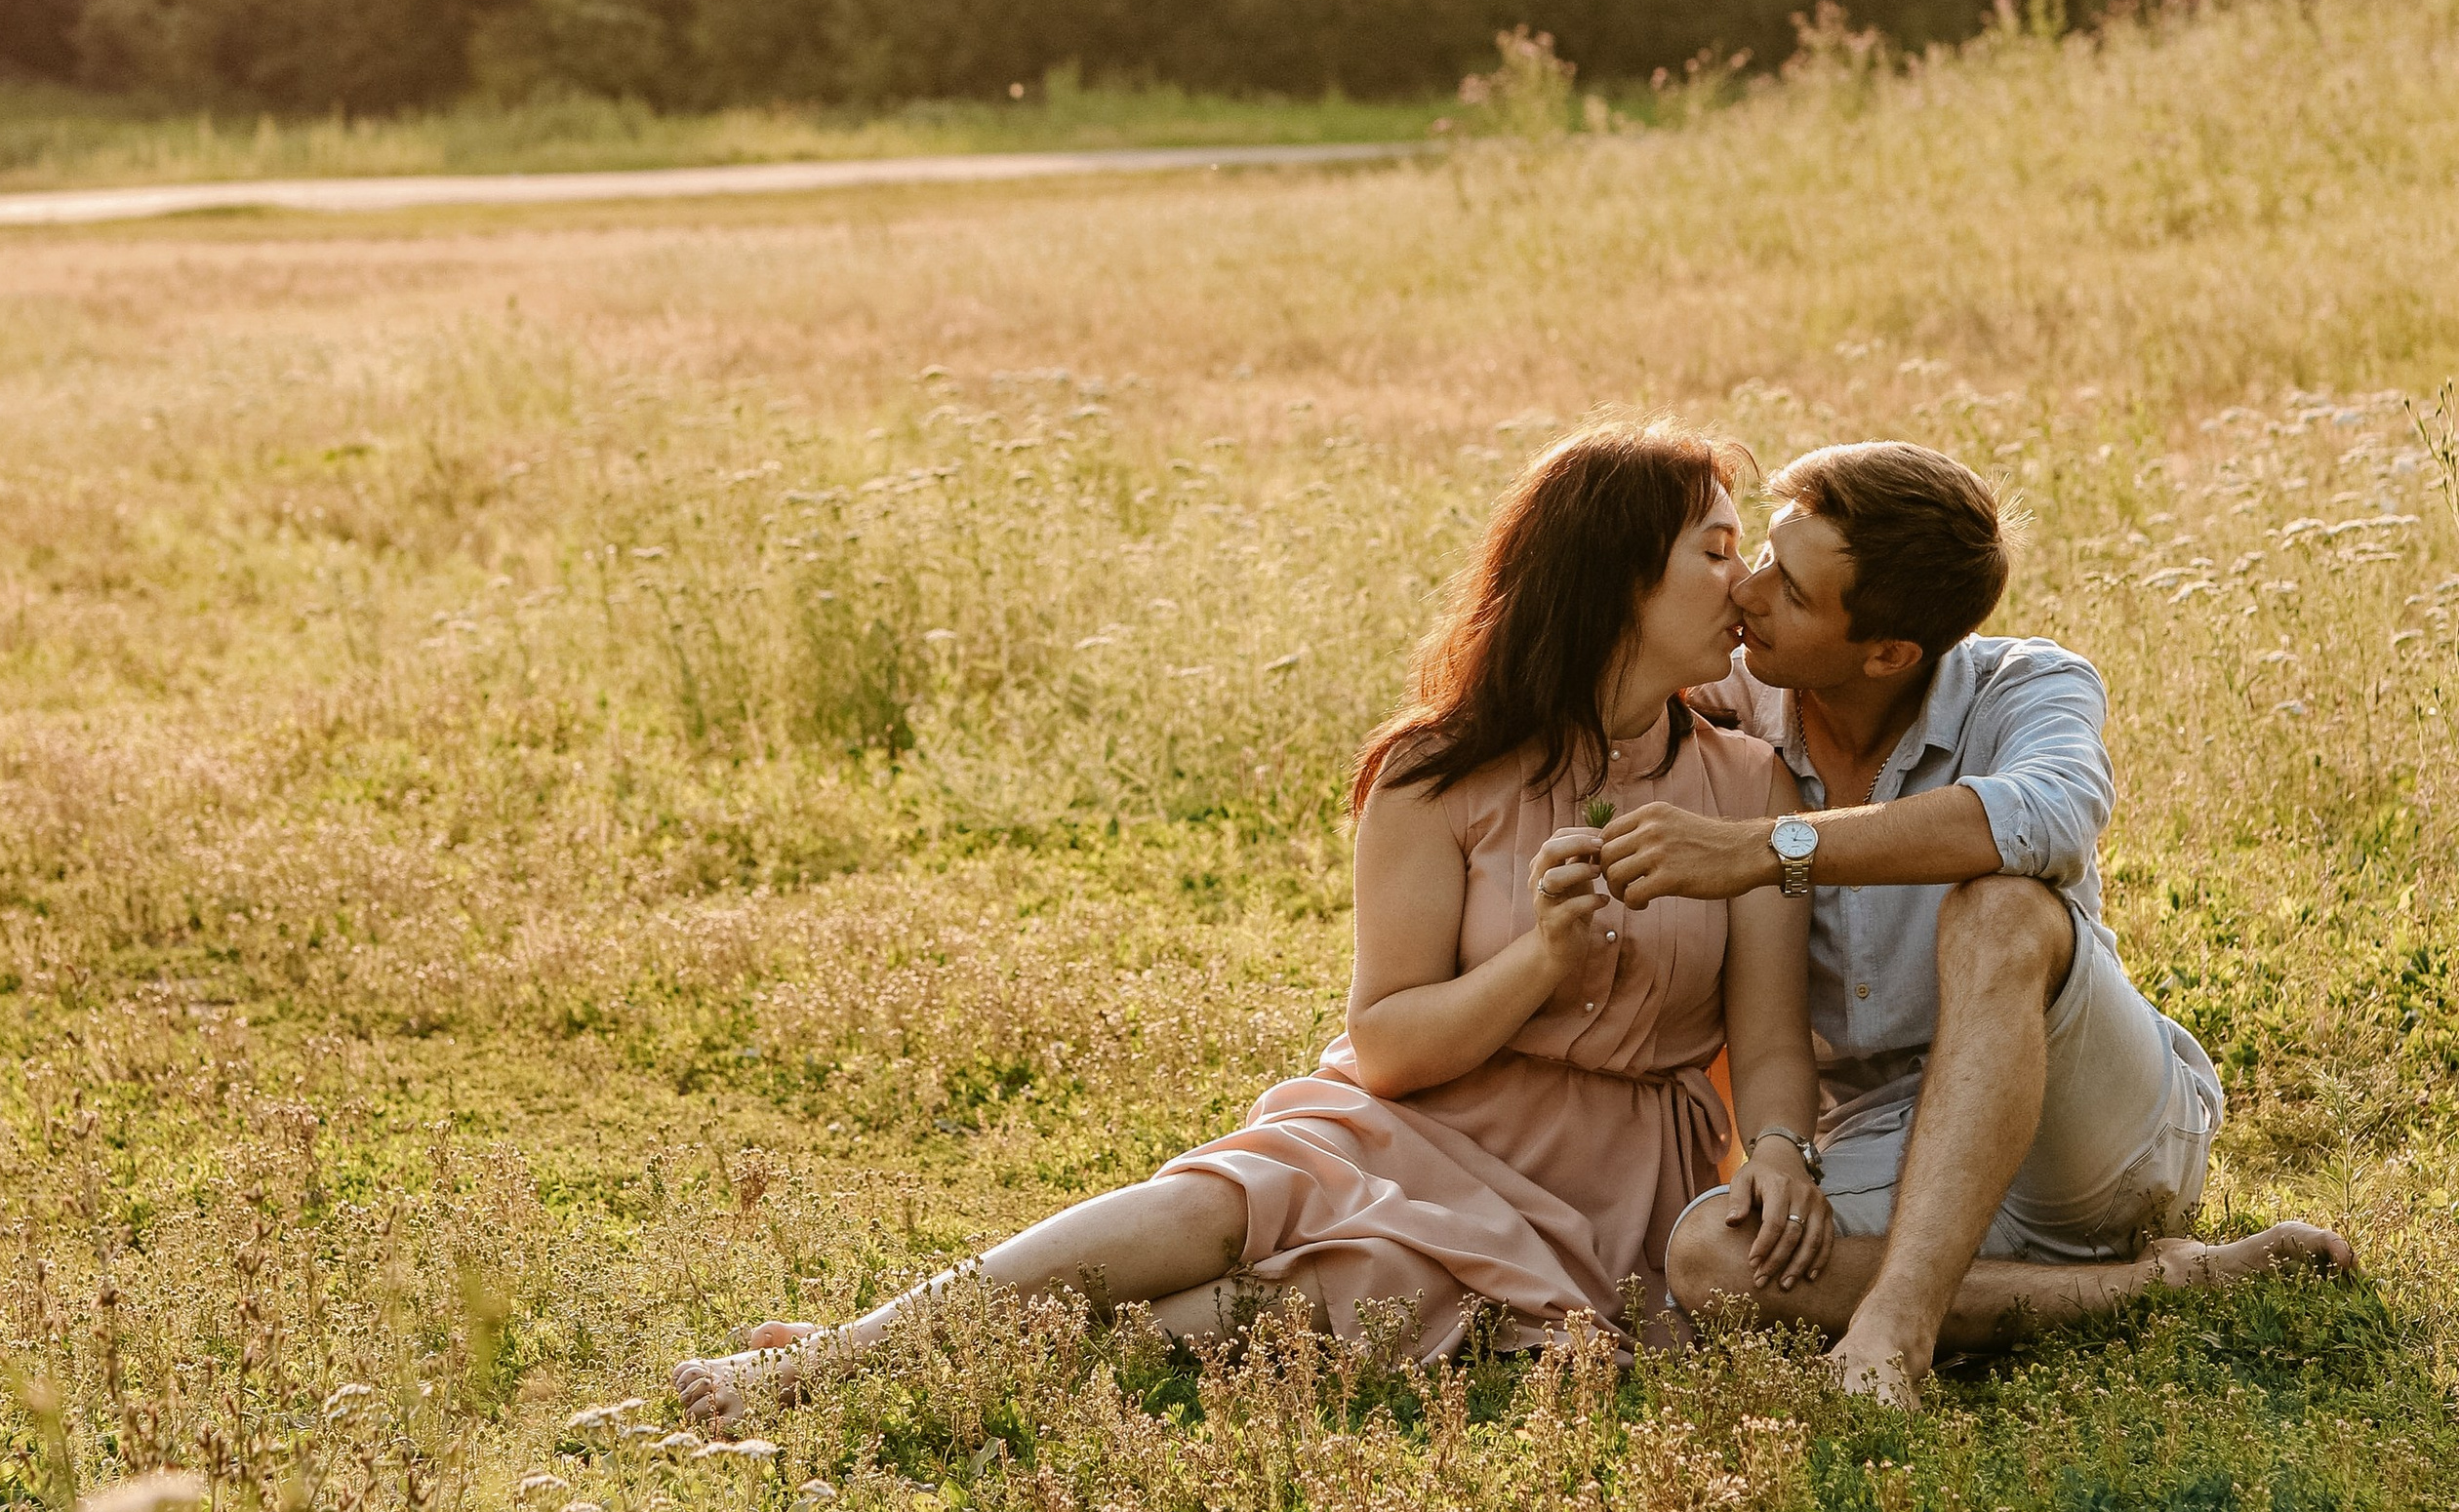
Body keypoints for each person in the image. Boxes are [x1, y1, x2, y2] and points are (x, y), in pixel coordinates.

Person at [674, 420, 1829, 1430]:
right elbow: (1387, 1048)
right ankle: (841, 1356)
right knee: (1217, 1203)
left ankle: (911, 1366)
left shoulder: (1750, 789)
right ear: (1610, 579)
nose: (1742, 585)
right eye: (1714, 552)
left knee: (1275, 1309)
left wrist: (1778, 1149)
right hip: (1411, 1120)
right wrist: (1543, 961)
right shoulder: (1435, 774)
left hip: (1607, 1188)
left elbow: (1772, 1037)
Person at [1617, 439, 2351, 1407]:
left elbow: (2048, 813)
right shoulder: (1737, 696)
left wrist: (1768, 846)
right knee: (1710, 1256)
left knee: (2002, 905)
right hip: (1887, 1148)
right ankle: (2163, 1286)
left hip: (2089, 1140)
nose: (1746, 594)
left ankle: (1897, 1325)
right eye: (1759, 558)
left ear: (1887, 653)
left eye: (1788, 590)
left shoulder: (2029, 685)